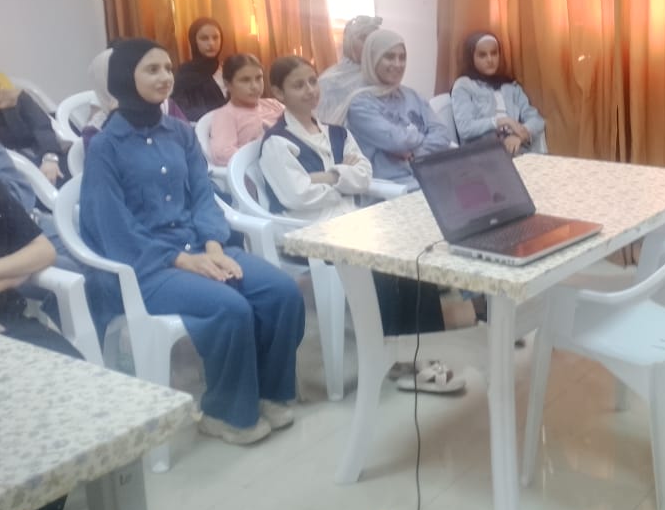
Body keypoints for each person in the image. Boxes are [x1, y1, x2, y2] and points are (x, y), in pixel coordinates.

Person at [80, 39, 305, 445]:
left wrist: (214, 248)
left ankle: (267, 392)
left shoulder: (180, 133)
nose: (165, 77)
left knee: (281, 292)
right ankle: (224, 413)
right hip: (145, 267)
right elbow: (113, 228)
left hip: (199, 246)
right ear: (125, 77)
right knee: (230, 306)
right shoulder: (105, 146)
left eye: (168, 68)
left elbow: (203, 195)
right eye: (152, 69)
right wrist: (185, 262)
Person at [261, 56, 464, 393]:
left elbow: (364, 175)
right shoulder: (277, 142)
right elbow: (298, 195)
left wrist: (326, 176)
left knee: (414, 254)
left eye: (312, 81)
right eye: (298, 85)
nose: (310, 90)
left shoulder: (336, 132)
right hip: (309, 231)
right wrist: (344, 176)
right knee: (380, 259)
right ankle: (400, 359)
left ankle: (425, 348)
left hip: (349, 220)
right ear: (279, 93)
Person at [0, 173, 82, 510]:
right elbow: (24, 263)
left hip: (8, 321)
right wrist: (12, 273)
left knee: (74, 380)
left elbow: (43, 252)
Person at [344, 29, 453, 191]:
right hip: (393, 187)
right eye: (389, 57)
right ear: (372, 59)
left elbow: (443, 133)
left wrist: (414, 153)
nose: (397, 64)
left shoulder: (411, 95)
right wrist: (421, 138)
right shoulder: (360, 104)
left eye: (402, 57)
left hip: (429, 176)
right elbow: (398, 141)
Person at [451, 31, 546, 155]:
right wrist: (502, 121)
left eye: (494, 53)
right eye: (482, 55)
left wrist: (520, 136)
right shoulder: (464, 85)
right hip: (482, 153)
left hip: (516, 150)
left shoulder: (510, 87)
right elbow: (465, 128)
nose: (490, 60)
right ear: (471, 58)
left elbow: (536, 119)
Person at [0, 53, 65, 185]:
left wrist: (50, 158)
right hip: (12, 178)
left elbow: (42, 127)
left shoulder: (17, 97)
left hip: (46, 157)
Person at [207, 54, 284, 167]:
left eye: (259, 78)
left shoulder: (273, 104)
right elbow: (222, 154)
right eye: (245, 80)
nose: (255, 86)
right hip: (261, 169)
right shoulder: (226, 115)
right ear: (228, 84)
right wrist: (263, 153)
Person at [316, 15, 382, 125]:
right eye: (363, 38)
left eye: (374, 39)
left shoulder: (383, 76)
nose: (369, 44)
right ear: (348, 41)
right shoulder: (328, 81)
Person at [172, 17, 228, 121]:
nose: (211, 43)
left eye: (215, 37)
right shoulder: (185, 74)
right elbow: (180, 109)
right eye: (204, 38)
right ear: (194, 41)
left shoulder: (229, 70)